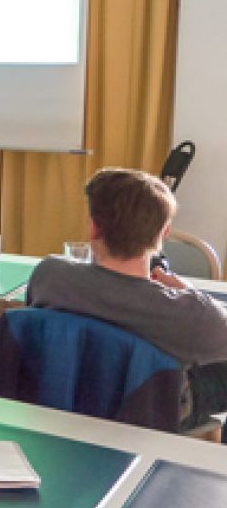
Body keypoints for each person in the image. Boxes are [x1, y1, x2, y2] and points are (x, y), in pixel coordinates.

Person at [26, 167, 227, 428]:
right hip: (155, 408)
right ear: (164, 233)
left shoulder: (49, 275)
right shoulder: (190, 314)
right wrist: (188, 293)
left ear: (94, 228)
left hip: (71, 394)